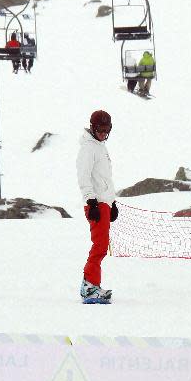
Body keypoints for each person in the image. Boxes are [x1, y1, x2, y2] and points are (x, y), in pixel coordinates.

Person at [76, 110, 119, 304]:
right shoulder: (88, 148)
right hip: (96, 203)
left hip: (104, 202)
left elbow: (104, 179)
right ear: (93, 128)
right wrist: (91, 201)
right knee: (100, 246)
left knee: (102, 246)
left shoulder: (100, 146)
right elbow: (83, 176)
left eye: (106, 129)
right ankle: (89, 286)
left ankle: (93, 284)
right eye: (100, 129)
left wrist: (112, 202)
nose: (103, 133)